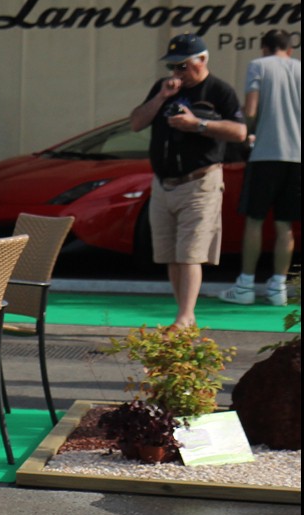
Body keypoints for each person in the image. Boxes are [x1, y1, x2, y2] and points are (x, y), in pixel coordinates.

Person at [128, 33, 246, 329]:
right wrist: (161, 97)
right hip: (164, 182)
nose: (177, 73)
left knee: (190, 254)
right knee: (170, 254)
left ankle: (184, 317)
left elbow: (240, 132)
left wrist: (199, 125)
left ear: (202, 60)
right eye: (173, 67)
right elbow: (136, 122)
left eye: (183, 66)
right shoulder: (164, 88)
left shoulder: (220, 91)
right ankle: (185, 314)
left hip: (200, 182)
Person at [221, 29, 300, 306]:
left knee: (254, 220)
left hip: (266, 153)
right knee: (285, 225)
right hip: (297, 158)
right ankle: (278, 287)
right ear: (289, 50)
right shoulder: (300, 69)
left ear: (264, 48)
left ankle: (245, 284)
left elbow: (251, 111)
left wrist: (248, 132)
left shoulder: (258, 66)